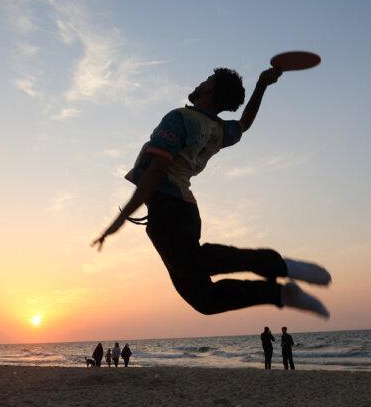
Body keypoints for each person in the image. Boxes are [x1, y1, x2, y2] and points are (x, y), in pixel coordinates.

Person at [92, 66, 332, 319]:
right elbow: (244, 124)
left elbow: (155, 172)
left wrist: (119, 220)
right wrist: (261, 85)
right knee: (204, 298)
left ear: (210, 88)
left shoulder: (179, 118)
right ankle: (281, 294)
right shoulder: (218, 130)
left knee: (196, 262)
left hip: (168, 208)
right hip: (181, 211)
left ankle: (283, 266)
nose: (200, 82)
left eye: (206, 79)